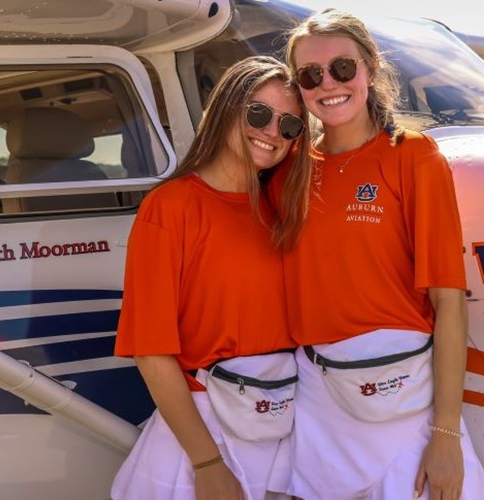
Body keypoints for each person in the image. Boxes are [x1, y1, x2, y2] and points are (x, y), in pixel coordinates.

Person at [282, 9, 484, 500]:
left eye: (343, 68)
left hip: (404, 396)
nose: (328, 83)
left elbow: (449, 302)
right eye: (310, 75)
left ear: (371, 69)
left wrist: (446, 434)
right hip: (319, 396)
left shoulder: (413, 157)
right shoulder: (290, 170)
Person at [111, 55, 311, 500]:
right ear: (226, 108)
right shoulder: (170, 208)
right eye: (258, 113)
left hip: (283, 425)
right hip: (205, 433)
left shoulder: (285, 210)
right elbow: (151, 351)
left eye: (290, 125)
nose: (271, 132)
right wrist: (207, 463)